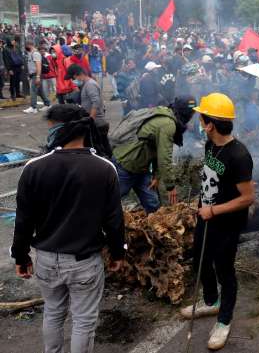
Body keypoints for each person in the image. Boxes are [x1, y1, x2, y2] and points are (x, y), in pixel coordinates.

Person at [11, 104, 124, 353]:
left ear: (63, 130)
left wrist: (21, 256)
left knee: (52, 313)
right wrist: (118, 253)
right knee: (83, 321)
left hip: (47, 260)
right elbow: (114, 220)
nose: (49, 133)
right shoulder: (104, 168)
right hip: (85, 262)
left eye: (52, 128)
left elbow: (24, 220)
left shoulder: (34, 167)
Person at [180, 93, 254, 351]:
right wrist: (202, 205)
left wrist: (215, 210)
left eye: (202, 118)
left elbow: (247, 198)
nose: (199, 122)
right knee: (199, 256)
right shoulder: (210, 145)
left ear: (210, 124)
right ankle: (211, 301)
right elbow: (211, 179)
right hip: (206, 215)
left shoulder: (239, 155)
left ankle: (224, 320)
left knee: (225, 269)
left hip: (227, 223)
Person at [112, 96, 196, 213]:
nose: (192, 117)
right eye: (192, 114)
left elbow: (157, 149)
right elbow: (164, 158)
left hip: (142, 168)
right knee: (109, 201)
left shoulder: (168, 115)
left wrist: (156, 176)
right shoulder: (168, 124)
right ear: (186, 113)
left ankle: (154, 229)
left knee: (153, 205)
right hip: (126, 165)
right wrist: (170, 187)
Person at [65, 64, 112, 158]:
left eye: (73, 78)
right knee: (101, 146)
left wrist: (91, 119)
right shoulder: (86, 84)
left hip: (97, 123)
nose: (73, 80)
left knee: (101, 148)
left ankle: (108, 165)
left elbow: (96, 102)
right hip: (95, 122)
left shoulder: (90, 84)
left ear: (78, 74)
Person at [23, 40, 52, 114]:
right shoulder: (31, 53)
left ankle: (33, 107)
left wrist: (38, 76)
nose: (25, 47)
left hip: (36, 75)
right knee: (40, 91)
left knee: (33, 91)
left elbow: (38, 65)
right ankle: (47, 104)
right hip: (34, 75)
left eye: (26, 46)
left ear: (30, 45)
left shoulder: (35, 53)